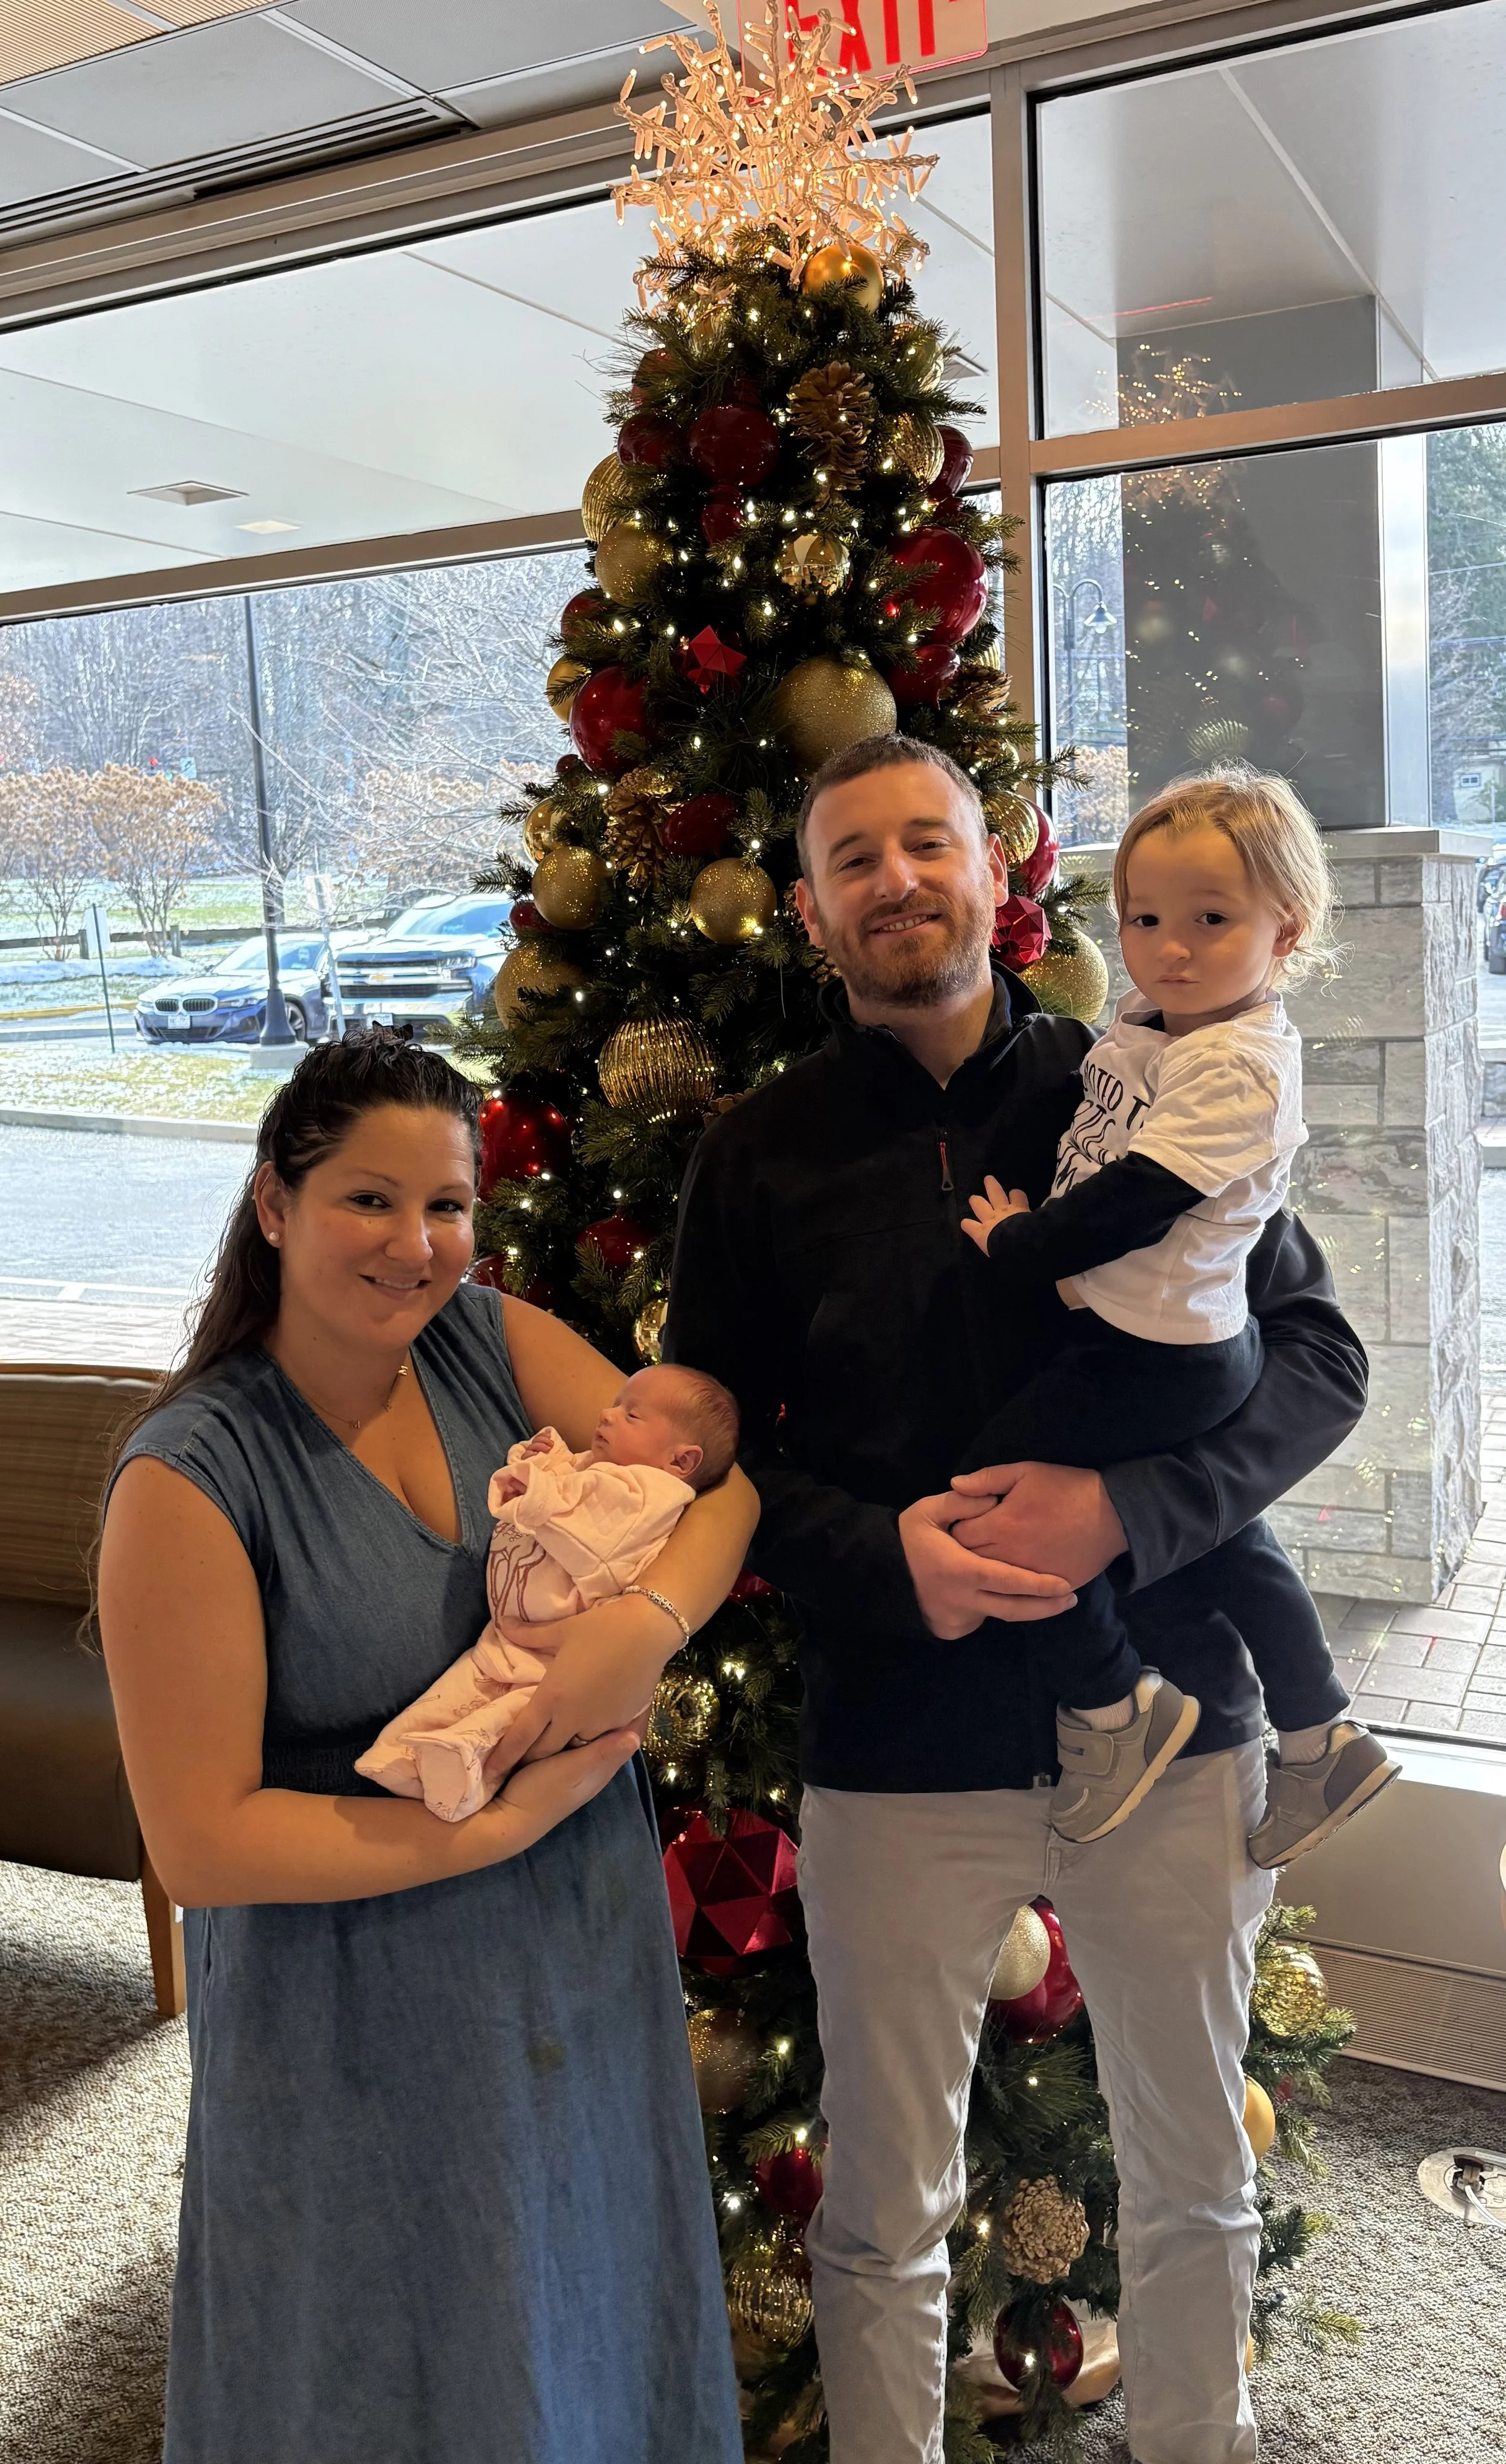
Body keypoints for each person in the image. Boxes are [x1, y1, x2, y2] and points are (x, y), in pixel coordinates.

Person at [664, 734, 1369, 2464]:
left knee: (1196, 2175)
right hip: (895, 1745)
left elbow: (1313, 1355)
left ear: (1000, 875)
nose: (899, 878)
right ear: (815, 913)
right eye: (853, 857)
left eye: (931, 843)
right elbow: (709, 1449)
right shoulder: (754, 1155)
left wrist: (1126, 1509)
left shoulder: (1143, 1076)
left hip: (1175, 1713)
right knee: (881, 2209)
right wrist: (880, 1553)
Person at [97, 1030, 754, 2464]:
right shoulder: (189, 1478)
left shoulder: (493, 1338)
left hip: (573, 1948)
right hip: (356, 2000)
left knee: (585, 2291)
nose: (417, 1243)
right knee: (383, 2359)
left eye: (448, 1204)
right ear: (275, 1204)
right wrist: (495, 1825)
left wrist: (640, 1621)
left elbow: (720, 1492)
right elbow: (200, 1843)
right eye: (368, 1200)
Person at [955, 769, 1397, 1861]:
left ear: (1285, 930)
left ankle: (1113, 1705)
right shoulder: (1160, 1025)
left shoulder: (1238, 1066)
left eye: (1211, 920)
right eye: (1145, 919)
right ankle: (1322, 1733)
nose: (1170, 948)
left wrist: (1018, 1247)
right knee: (1229, 1545)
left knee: (993, 1496)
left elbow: (1134, 1201)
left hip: (1155, 1349)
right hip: (1172, 1338)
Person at [358, 1363, 741, 1821]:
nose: (606, 1414)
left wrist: (535, 1487)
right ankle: (398, 1757)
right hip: (515, 1636)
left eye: (631, 1416)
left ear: (680, 1462)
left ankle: (465, 1782)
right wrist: (545, 1458)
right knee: (457, 1694)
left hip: (558, 1659)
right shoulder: (603, 1471)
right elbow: (570, 1485)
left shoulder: (646, 1494)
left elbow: (582, 1530)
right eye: (616, 1404)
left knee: (511, 1725)